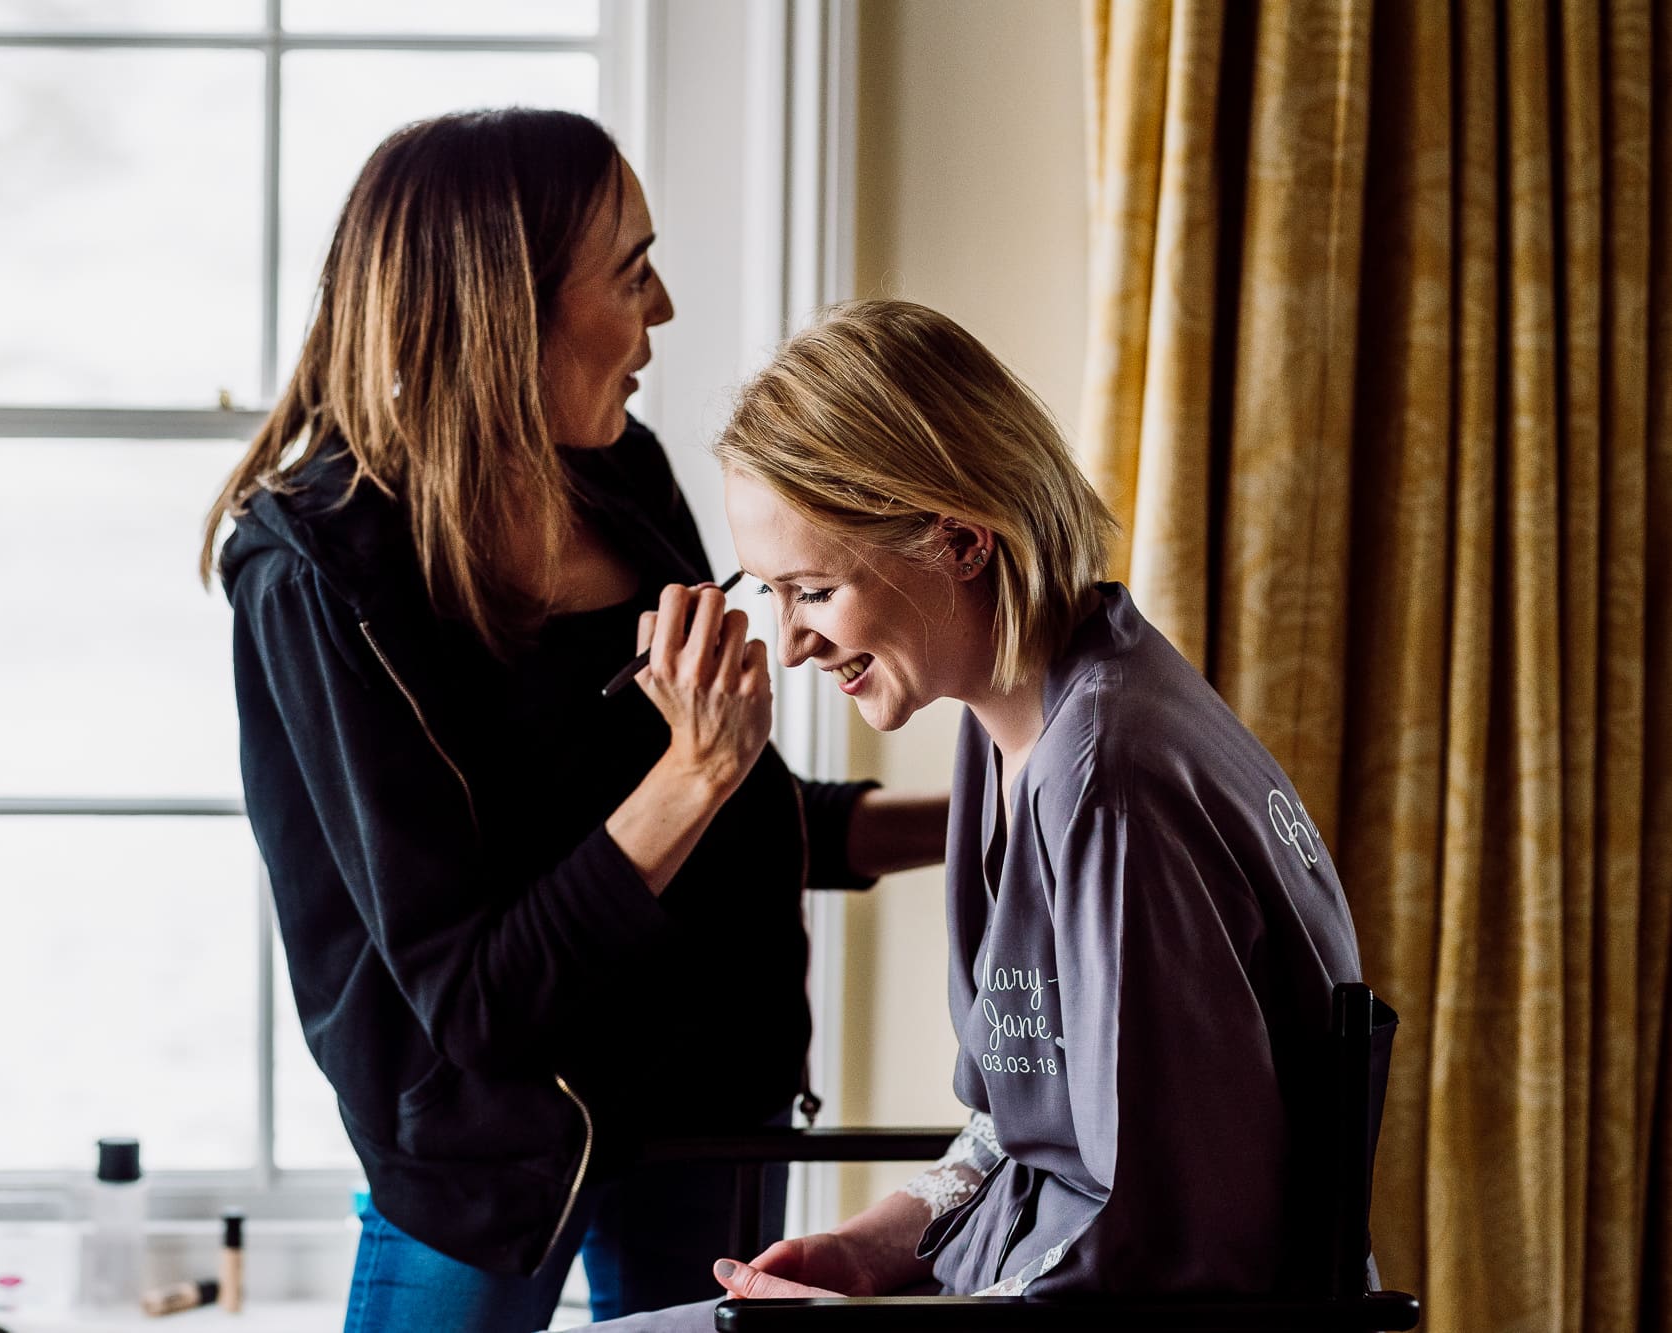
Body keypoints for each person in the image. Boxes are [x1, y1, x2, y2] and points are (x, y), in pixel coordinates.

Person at [201, 113, 946, 1333]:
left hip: (707, 1114)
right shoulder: (317, 575)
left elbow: (746, 829)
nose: (660, 309)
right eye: (630, 269)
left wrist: (997, 811)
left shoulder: (622, 470)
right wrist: (696, 769)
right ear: (506, 306)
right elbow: (476, 998)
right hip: (487, 1160)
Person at [581, 300, 1368, 1330]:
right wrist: (871, 1245)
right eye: (768, 593)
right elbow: (1013, 1125)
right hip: (1005, 1276)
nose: (788, 642)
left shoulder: (1107, 781)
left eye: (812, 591)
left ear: (956, 540)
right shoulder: (1015, 718)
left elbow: (1168, 1240)